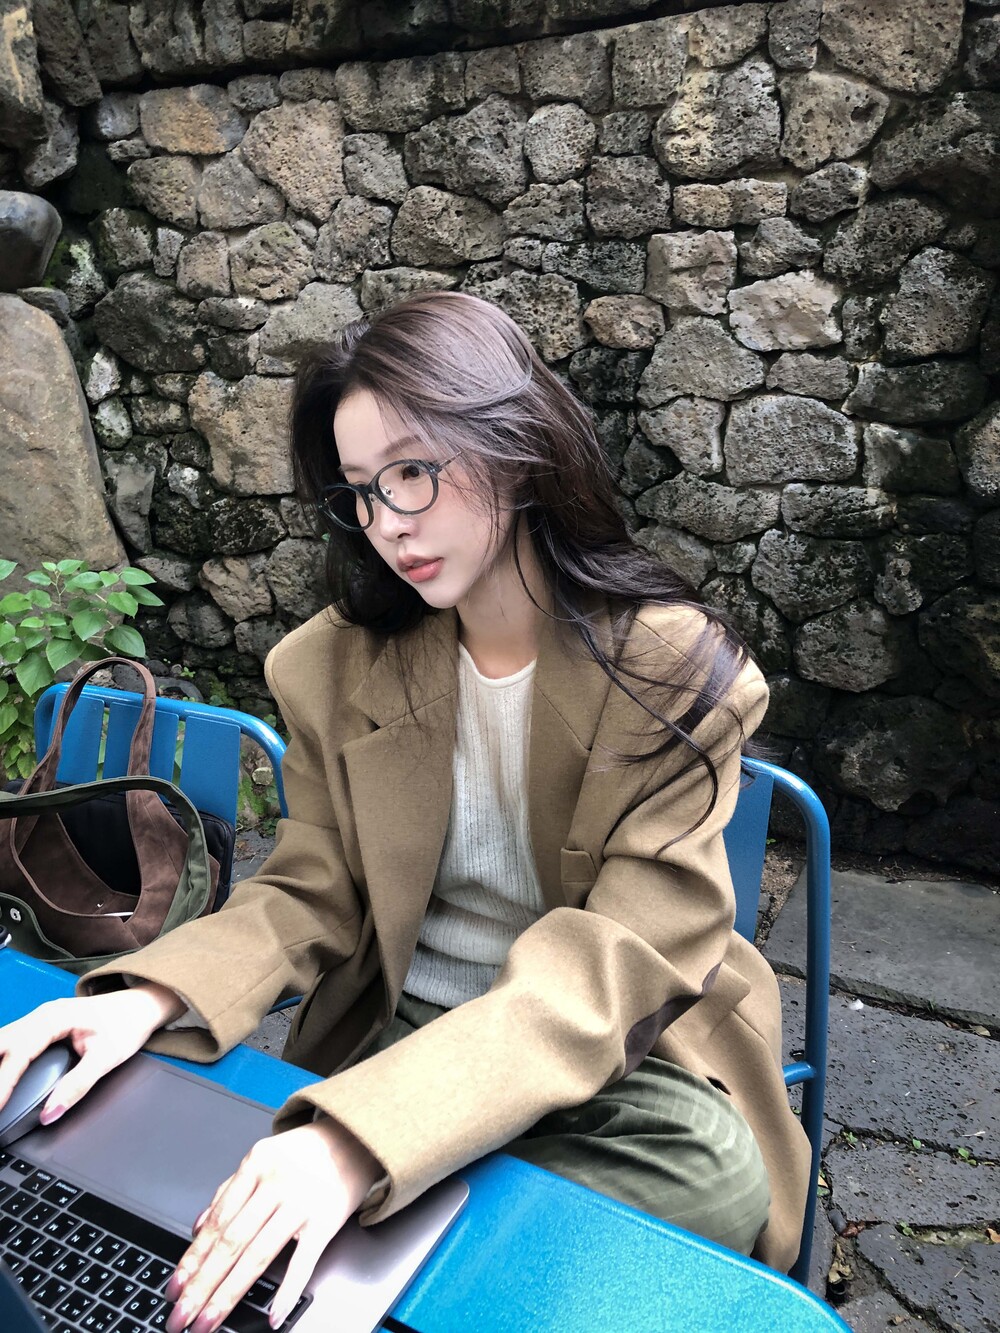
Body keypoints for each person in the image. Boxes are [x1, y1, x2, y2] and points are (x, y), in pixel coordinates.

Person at [0, 291, 810, 1333]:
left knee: (717, 1175)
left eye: (412, 473)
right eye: (360, 493)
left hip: (618, 1053)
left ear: (515, 446)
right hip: (404, 1013)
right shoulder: (334, 666)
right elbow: (310, 886)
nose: (387, 523)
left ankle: (375, 1221)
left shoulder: (672, 673)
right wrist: (148, 994)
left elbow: (611, 969)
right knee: (155, 1115)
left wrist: (362, 1139)